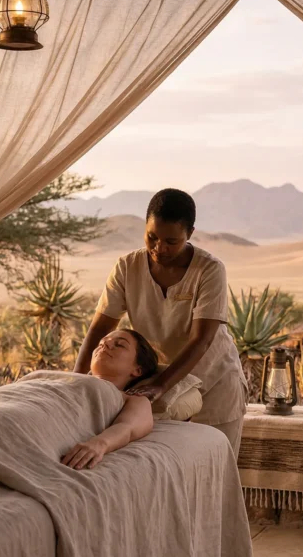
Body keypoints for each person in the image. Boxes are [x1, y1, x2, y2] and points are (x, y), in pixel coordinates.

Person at [74, 189, 248, 457]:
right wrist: (76, 381)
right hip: (163, 382)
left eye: (171, 241)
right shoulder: (127, 267)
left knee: (214, 463)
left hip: (213, 381)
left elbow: (202, 340)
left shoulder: (209, 270)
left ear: (190, 234)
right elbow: (100, 328)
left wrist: (160, 386)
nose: (159, 248)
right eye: (152, 237)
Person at [62, 329, 158, 470]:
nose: (105, 345)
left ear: (138, 370)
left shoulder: (129, 399)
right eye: (101, 344)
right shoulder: (59, 379)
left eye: (119, 345)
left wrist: (100, 443)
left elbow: (128, 427)